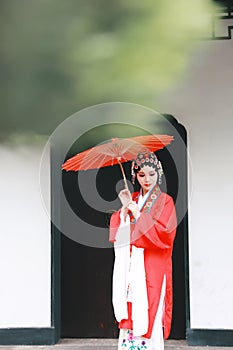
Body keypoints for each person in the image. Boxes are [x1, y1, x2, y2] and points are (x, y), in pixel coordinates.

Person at [109, 151, 177, 350]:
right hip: (133, 265)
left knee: (150, 308)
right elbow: (118, 230)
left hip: (153, 264)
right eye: (141, 175)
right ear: (135, 176)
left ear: (159, 174)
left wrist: (140, 215)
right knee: (131, 307)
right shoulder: (134, 198)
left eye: (151, 174)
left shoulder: (165, 201)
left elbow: (165, 234)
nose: (147, 179)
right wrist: (124, 211)